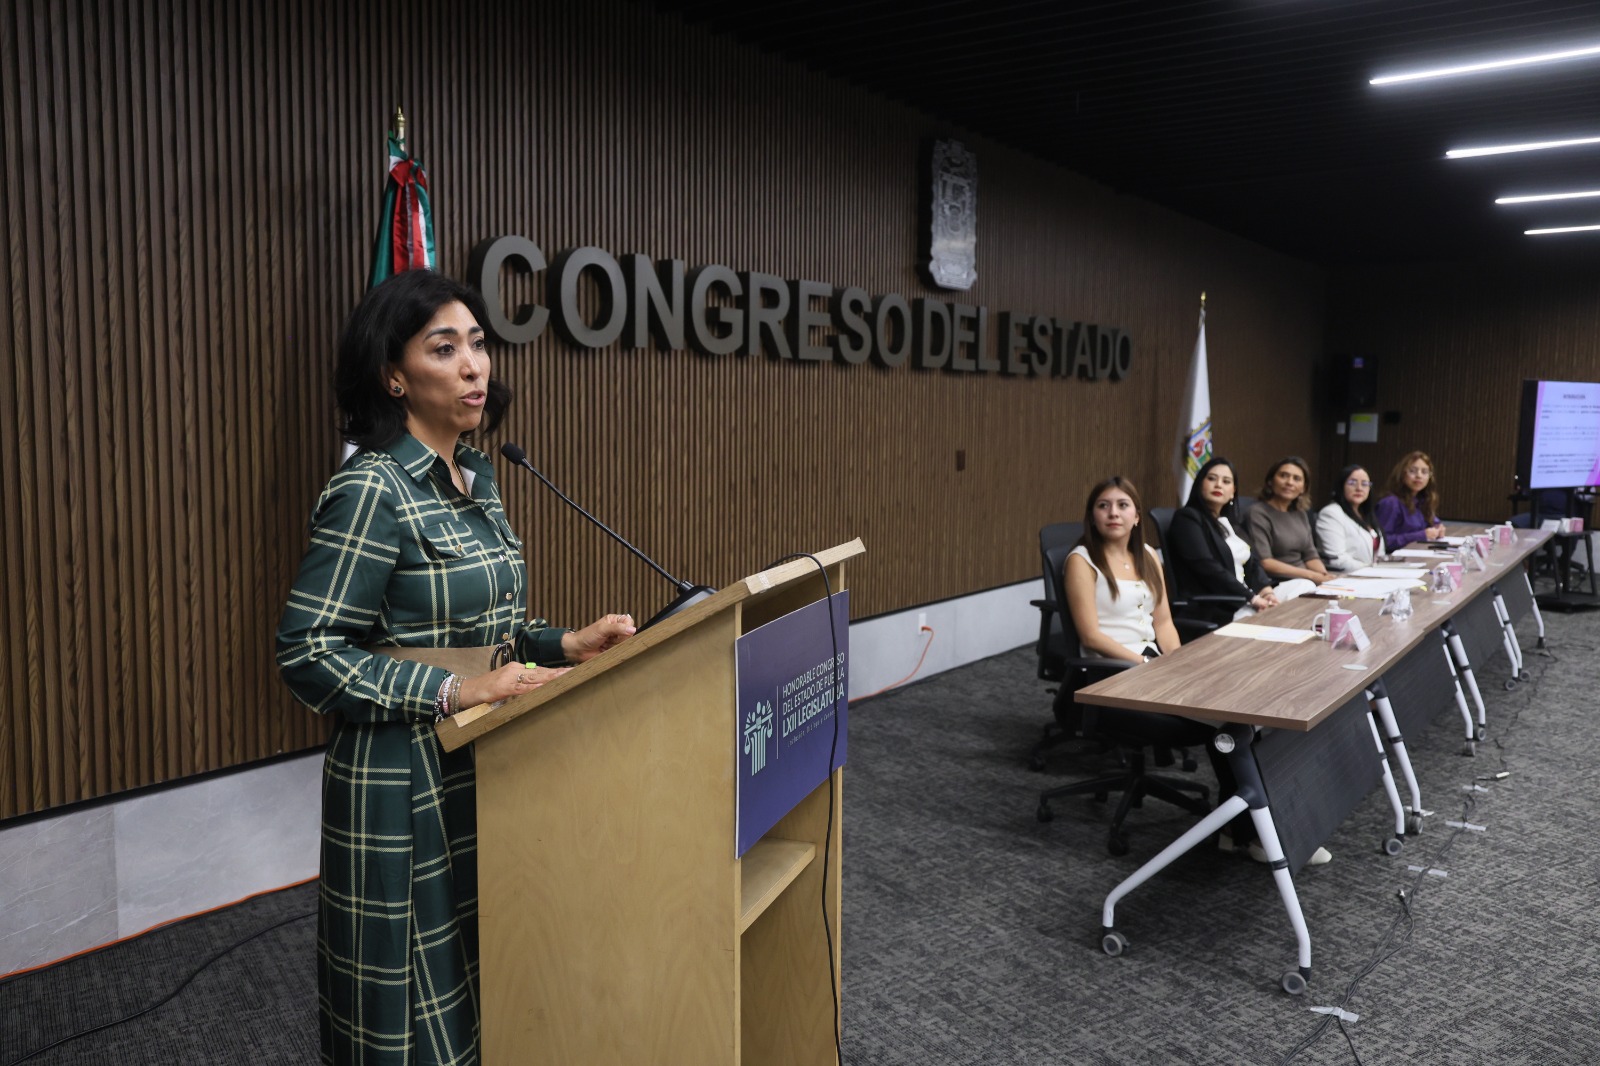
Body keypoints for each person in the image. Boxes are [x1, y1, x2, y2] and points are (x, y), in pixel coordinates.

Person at [277, 269, 636, 1065]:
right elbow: (307, 653)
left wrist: (563, 646)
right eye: (446, 347)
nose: (475, 364)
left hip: (486, 757)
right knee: (410, 1002)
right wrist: (452, 690)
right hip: (402, 778)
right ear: (394, 374)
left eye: (478, 342)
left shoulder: (476, 479)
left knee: (478, 974)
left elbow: (482, 628)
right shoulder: (372, 488)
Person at [1064, 476, 1179, 662]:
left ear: (1137, 517)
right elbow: (1090, 637)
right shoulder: (1081, 561)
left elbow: (1164, 623)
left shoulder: (1148, 554)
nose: (1113, 513)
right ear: (1092, 517)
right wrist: (1144, 663)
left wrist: (1176, 662)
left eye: (1123, 505)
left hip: (1148, 659)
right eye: (1103, 506)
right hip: (1110, 666)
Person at [1164, 456, 1285, 624]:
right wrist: (1251, 597)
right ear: (1200, 483)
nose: (1218, 484)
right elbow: (1207, 567)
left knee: (1304, 586)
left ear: (1233, 491)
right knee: (1279, 620)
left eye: (1226, 481)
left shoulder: (1232, 524)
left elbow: (1254, 564)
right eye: (1212, 479)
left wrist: (1267, 592)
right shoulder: (1187, 518)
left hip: (1249, 598)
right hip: (1222, 605)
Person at [1245, 456, 1332, 586]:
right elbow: (1265, 562)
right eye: (1284, 476)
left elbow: (1310, 556)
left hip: (1305, 580)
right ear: (1271, 481)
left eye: (1297, 479)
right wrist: (1312, 576)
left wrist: (1325, 577)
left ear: (1303, 488)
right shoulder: (1258, 512)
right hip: (1277, 582)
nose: (1290, 482)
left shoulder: (1300, 514)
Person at [1318, 464, 1385, 571]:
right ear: (1342, 486)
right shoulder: (1331, 513)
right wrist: (1371, 570)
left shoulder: (1366, 514)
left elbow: (1379, 554)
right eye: (1352, 483)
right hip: (1344, 577)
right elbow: (1337, 559)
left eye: (1364, 484)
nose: (1359, 488)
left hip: (1370, 576)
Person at [1376, 450, 1446, 549]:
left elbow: (1434, 523)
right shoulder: (1390, 503)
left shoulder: (1422, 500)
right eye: (1413, 471)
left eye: (1424, 472)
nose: (1419, 476)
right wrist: (1421, 535)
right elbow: (1383, 541)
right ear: (1402, 474)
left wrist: (1438, 528)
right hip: (1392, 560)